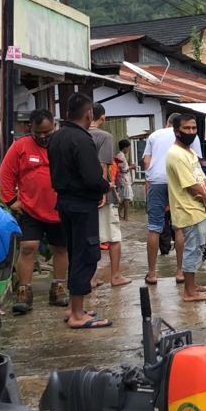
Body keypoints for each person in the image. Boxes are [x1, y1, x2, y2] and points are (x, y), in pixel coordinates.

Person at [47, 92, 112, 330]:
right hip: (82, 204)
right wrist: (106, 186)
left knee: (75, 254)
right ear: (89, 114)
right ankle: (77, 315)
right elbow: (92, 177)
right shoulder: (82, 140)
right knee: (86, 255)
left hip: (64, 202)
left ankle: (74, 307)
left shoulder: (56, 137)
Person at [0, 109, 69, 314]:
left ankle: (58, 288)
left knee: (61, 248)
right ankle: (24, 291)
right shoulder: (20, 146)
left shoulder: (62, 144)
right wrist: (11, 200)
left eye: (47, 132)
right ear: (31, 129)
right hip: (30, 208)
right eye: (39, 133)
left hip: (59, 208)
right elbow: (6, 174)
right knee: (28, 246)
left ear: (54, 126)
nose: (43, 137)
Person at [141, 113, 202, 285]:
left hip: (157, 181)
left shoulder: (154, 135)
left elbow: (147, 161)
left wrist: (150, 179)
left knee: (154, 227)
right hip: (180, 181)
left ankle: (152, 274)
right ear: (178, 126)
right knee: (179, 227)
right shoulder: (192, 136)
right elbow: (195, 164)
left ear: (167, 123)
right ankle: (180, 272)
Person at [165, 114, 206, 303]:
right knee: (192, 249)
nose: (191, 132)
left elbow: (200, 175)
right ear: (177, 131)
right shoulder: (176, 155)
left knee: (198, 248)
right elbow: (190, 185)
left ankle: (192, 285)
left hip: (197, 208)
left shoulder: (189, 152)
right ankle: (189, 292)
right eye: (187, 129)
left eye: (194, 128)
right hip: (187, 209)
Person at [89, 103, 128, 288]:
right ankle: (116, 276)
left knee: (91, 238)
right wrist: (103, 190)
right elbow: (103, 165)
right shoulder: (104, 136)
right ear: (102, 118)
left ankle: (91, 277)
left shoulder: (76, 135)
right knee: (113, 237)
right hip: (102, 193)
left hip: (83, 194)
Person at [115, 139, 136, 221]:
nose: (129, 150)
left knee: (125, 198)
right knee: (126, 198)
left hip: (125, 179)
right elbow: (120, 169)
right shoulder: (120, 156)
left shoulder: (121, 155)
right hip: (124, 179)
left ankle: (119, 214)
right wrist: (131, 167)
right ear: (125, 148)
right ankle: (125, 216)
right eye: (128, 148)